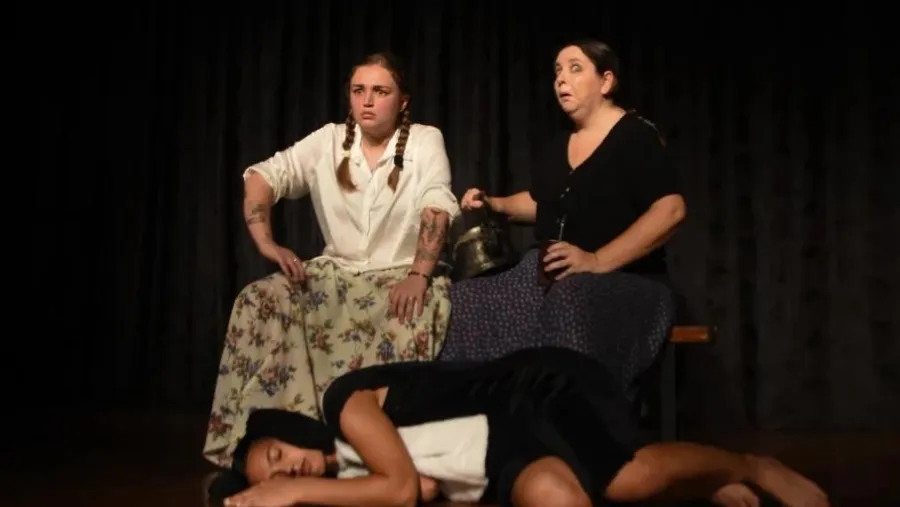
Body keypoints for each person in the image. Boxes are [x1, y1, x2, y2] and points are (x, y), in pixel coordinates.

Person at [203, 51, 460, 468]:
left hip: (400, 274)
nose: (367, 101)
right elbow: (263, 177)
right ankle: (261, 444)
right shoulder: (328, 141)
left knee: (408, 313)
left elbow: (437, 204)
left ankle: (367, 455)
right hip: (336, 276)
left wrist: (419, 274)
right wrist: (266, 243)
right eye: (359, 90)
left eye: (381, 91)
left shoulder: (424, 140)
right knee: (259, 299)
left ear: (403, 101)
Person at [208, 347, 829, 507]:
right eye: (275, 477)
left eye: (277, 454)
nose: (288, 469)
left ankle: (752, 465)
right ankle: (703, 480)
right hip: (499, 460)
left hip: (532, 396)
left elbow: (398, 488)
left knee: (626, 482)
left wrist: (291, 489)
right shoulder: (343, 482)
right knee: (560, 500)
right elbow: (424, 490)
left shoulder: (345, 404)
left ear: (291, 430)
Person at [441, 39, 687, 397]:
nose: (561, 79)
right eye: (557, 71)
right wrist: (494, 204)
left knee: (569, 297)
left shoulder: (635, 135)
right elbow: (542, 202)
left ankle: (567, 416)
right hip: (552, 276)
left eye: (575, 68)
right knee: (465, 300)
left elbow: (670, 210)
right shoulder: (560, 143)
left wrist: (597, 260)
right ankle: (485, 411)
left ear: (606, 81)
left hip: (629, 281)